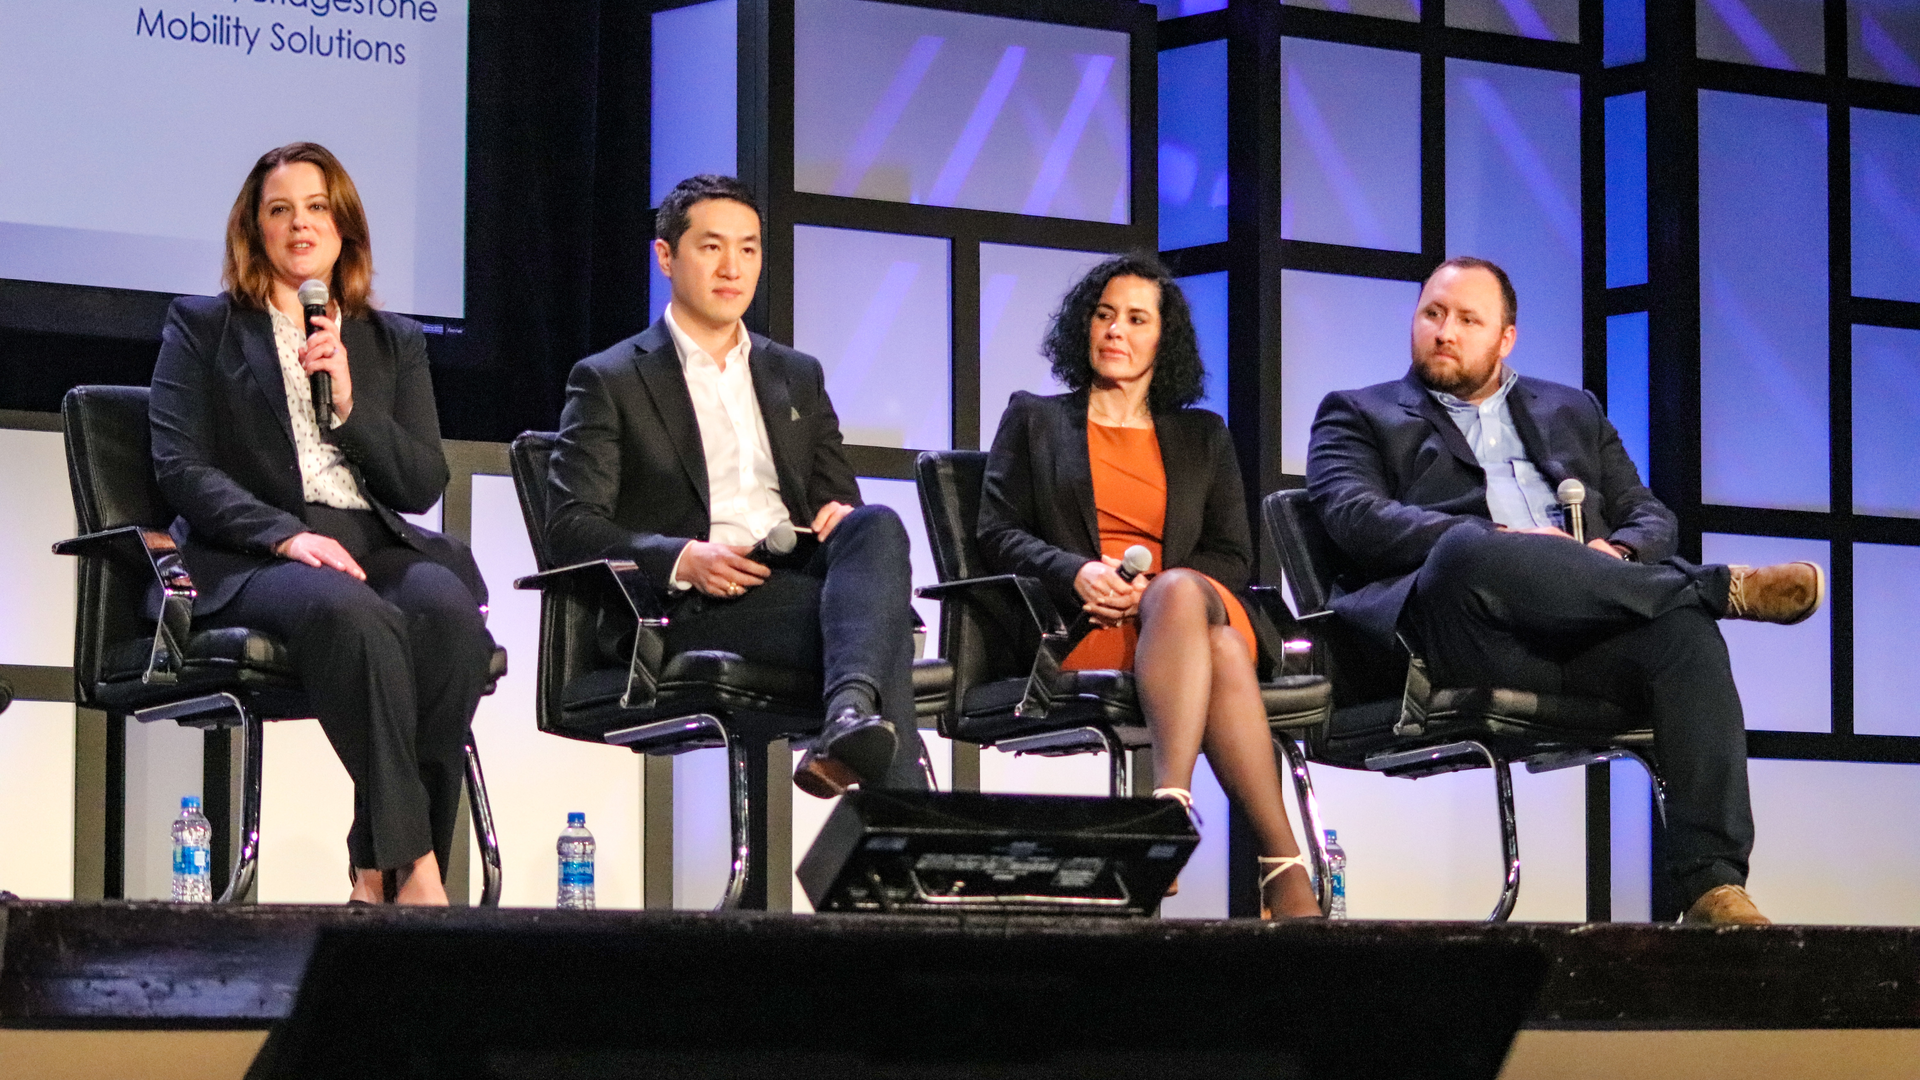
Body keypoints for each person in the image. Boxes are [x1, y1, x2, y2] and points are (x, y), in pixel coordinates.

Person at [1307, 256, 1825, 926]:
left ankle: (1712, 886)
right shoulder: (1358, 413)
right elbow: (1355, 517)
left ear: (1506, 337)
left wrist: (1616, 553)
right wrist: (1505, 540)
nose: (1444, 331)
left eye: (1468, 319)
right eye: (1433, 314)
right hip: (1458, 634)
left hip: (1583, 634)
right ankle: (1713, 586)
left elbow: (1650, 515)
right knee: (1468, 548)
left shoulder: (1572, 410)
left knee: (1684, 636)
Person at [149, 142, 492, 906]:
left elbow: (418, 481)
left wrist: (347, 403)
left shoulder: (390, 340)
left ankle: (373, 870)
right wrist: (284, 535)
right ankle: (422, 870)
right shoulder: (203, 328)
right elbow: (182, 467)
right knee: (356, 616)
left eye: (316, 207)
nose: (299, 223)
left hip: (368, 537)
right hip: (255, 552)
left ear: (344, 229)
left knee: (447, 618)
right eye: (279, 210)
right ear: (255, 229)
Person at [546, 174, 929, 796]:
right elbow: (570, 525)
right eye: (712, 247)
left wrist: (837, 513)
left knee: (876, 522)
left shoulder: (795, 374)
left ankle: (850, 716)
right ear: (665, 256)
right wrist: (681, 560)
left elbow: (840, 499)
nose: (733, 267)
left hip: (800, 574)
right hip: (698, 604)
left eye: (749, 248)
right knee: (874, 625)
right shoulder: (610, 378)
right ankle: (895, 804)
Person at [977, 254, 1322, 920]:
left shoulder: (1202, 434)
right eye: (1104, 315)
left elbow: (1231, 555)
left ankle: (1168, 803)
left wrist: (1161, 588)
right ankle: (1283, 866)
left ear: (1164, 340)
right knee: (1219, 652)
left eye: (1136, 319)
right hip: (1093, 625)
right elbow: (998, 532)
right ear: (1085, 327)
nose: (1115, 331)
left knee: (1182, 595)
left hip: (1189, 607)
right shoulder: (1035, 419)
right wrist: (1075, 570)